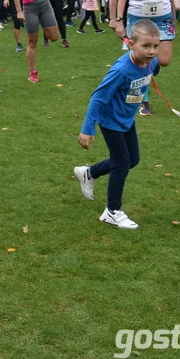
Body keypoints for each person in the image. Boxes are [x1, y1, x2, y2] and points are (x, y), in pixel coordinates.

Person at [73, 19, 160, 230]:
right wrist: (87, 129)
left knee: (133, 160)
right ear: (131, 44)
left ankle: (89, 172)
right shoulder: (120, 70)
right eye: (146, 46)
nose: (151, 52)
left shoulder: (152, 63)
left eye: (155, 46)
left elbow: (152, 72)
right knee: (121, 163)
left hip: (126, 118)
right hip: (110, 120)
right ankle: (112, 211)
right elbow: (98, 98)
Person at [115, 0, 176, 116]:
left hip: (162, 16)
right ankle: (144, 101)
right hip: (138, 17)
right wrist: (119, 20)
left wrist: (173, 16)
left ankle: (147, 68)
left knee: (163, 60)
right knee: (142, 60)